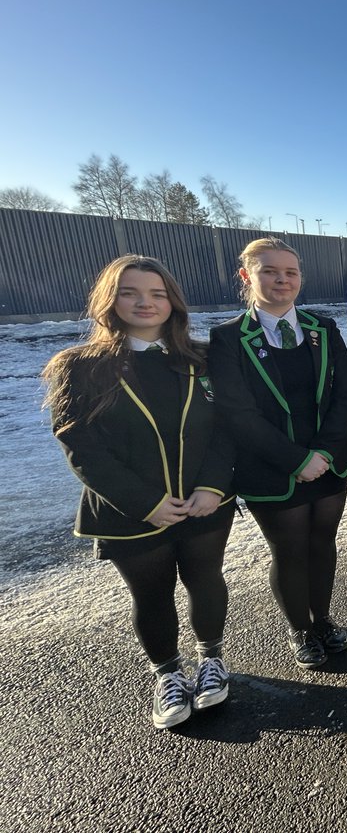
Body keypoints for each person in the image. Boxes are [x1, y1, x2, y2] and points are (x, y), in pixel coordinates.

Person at [43, 255, 236, 729]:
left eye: (157, 293)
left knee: (206, 580)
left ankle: (211, 659)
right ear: (111, 300)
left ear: (173, 301)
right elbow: (80, 445)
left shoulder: (203, 359)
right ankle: (168, 673)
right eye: (131, 292)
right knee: (151, 595)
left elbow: (228, 429)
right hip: (127, 511)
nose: (146, 303)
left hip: (204, 503)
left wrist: (213, 486)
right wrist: (144, 503)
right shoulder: (82, 367)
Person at [208, 237, 347, 669]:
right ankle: (300, 629)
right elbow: (237, 413)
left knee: (323, 543)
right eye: (270, 271)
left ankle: (324, 619)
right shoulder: (228, 339)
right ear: (247, 276)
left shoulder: (322, 328)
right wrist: (296, 460)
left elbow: (343, 393)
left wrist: (325, 451)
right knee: (289, 551)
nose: (282, 280)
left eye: (290, 272)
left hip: (329, 462)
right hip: (268, 468)